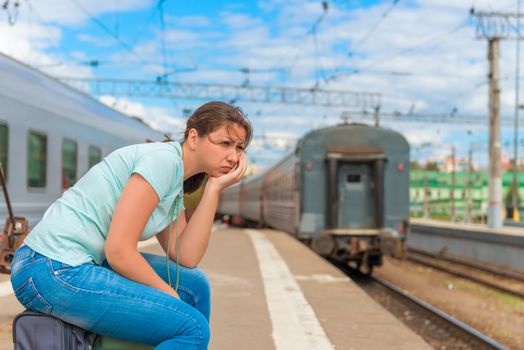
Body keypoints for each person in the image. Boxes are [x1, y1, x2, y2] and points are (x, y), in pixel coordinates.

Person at [10, 101, 252, 350]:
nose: (233, 157)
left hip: (71, 264)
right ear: (193, 138)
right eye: (224, 143)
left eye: (239, 148)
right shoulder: (163, 162)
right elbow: (119, 252)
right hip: (51, 268)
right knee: (192, 328)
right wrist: (168, 295)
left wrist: (213, 189)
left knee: (195, 286)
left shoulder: (176, 177)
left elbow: (186, 256)